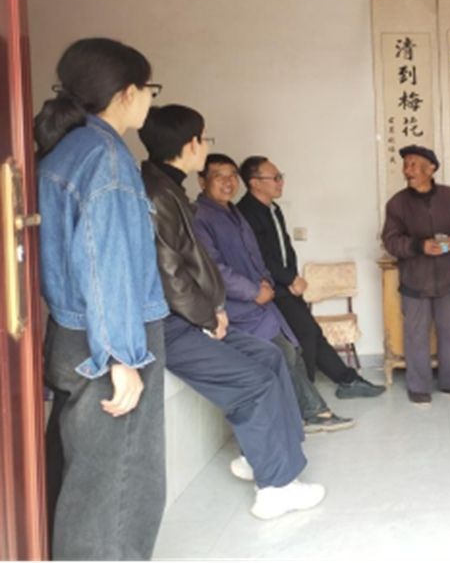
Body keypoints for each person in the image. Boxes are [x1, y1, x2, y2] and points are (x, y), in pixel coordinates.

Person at [139, 105, 326, 520]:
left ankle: (263, 459)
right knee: (255, 381)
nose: (206, 146)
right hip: (171, 323)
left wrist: (214, 309)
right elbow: (172, 273)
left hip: (193, 316)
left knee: (271, 356)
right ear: (190, 145)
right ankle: (275, 487)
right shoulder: (158, 195)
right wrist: (209, 315)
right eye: (203, 139)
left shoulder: (171, 190)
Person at [37, 38, 169, 560]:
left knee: (88, 474)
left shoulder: (66, 150)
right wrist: (121, 357)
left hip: (70, 334)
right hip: (109, 339)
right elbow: (105, 261)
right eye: (150, 89)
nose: (150, 100)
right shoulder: (107, 159)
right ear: (127, 92)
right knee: (121, 484)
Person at [193, 153, 353, 432]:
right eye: (219, 176)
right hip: (235, 309)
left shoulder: (233, 213)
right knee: (283, 353)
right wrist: (254, 290)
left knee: (291, 350)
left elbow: (258, 256)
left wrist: (265, 282)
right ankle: (312, 412)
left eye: (232, 176)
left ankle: (308, 411)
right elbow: (213, 268)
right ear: (201, 180)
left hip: (261, 302)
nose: (229, 182)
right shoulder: (200, 217)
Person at [236, 155, 385, 398]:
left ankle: (347, 380)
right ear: (255, 183)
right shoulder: (246, 213)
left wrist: (293, 277)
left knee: (312, 332)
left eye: (280, 177)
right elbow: (260, 257)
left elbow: (285, 248)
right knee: (304, 334)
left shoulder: (273, 209)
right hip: (269, 288)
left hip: (286, 284)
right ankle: (307, 397)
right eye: (275, 178)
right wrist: (288, 279)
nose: (280, 182)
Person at [381, 144, 450, 405]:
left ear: (431, 168)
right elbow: (390, 241)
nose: (407, 170)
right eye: (405, 165)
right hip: (415, 280)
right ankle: (418, 386)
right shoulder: (397, 204)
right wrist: (418, 246)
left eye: (413, 164)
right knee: (416, 335)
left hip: (448, 279)